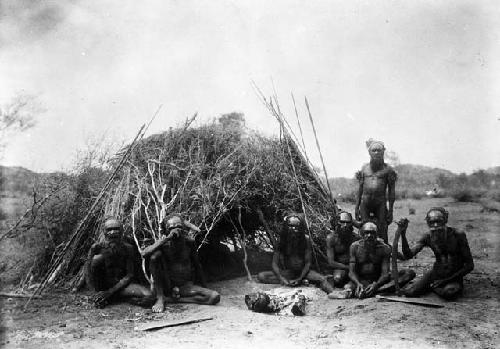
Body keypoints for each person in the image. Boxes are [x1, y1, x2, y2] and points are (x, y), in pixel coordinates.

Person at [141, 214, 220, 313]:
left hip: (185, 286)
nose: (176, 230)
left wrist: (204, 287)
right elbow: (144, 253)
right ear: (166, 230)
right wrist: (167, 238)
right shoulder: (163, 244)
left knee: (214, 297)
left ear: (183, 228)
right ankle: (160, 297)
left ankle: (172, 300)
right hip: (168, 286)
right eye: (171, 228)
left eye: (179, 227)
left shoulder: (189, 242)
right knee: (154, 257)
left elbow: (197, 264)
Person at [398, 207, 474, 300]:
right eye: (431, 222)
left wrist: (445, 281)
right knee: (410, 292)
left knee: (449, 293)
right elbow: (409, 255)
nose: (435, 225)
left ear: (445, 220)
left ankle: (433, 287)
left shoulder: (458, 235)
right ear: (427, 223)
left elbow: (470, 265)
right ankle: (433, 286)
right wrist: (403, 233)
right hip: (436, 273)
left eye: (439, 221)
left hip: (453, 276)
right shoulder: (427, 237)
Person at [257, 214, 334, 295]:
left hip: (304, 272)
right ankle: (295, 282)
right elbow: (274, 263)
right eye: (290, 226)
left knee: (321, 279)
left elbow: (308, 263)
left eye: (296, 227)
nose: (293, 229)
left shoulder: (306, 239)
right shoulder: (282, 241)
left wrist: (300, 278)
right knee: (262, 276)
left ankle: (334, 293)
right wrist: (281, 278)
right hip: (289, 272)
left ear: (300, 228)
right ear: (286, 226)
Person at [85, 218, 153, 308]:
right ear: (104, 231)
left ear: (121, 231)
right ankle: (105, 297)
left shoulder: (128, 248)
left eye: (116, 229)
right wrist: (95, 293)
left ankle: (116, 298)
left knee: (149, 295)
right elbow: (88, 272)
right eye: (109, 229)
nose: (113, 232)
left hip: (121, 287)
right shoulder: (96, 248)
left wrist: (111, 292)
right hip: (102, 287)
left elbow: (129, 275)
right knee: (97, 259)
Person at [348, 222, 415, 298]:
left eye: (372, 233)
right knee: (348, 287)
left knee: (408, 273)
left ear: (376, 234)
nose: (369, 236)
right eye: (367, 233)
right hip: (361, 280)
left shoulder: (384, 248)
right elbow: (351, 272)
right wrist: (357, 283)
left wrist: (376, 284)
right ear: (362, 234)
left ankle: (376, 290)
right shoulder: (355, 247)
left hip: (379, 280)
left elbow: (385, 274)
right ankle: (372, 290)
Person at [355, 139, 397, 243]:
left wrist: (391, 211)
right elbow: (360, 188)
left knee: (382, 227)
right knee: (364, 227)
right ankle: (364, 253)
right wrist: (357, 207)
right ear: (369, 152)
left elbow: (392, 191)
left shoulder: (388, 170)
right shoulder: (364, 168)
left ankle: (384, 252)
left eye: (379, 150)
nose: (376, 153)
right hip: (365, 203)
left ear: (383, 151)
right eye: (374, 150)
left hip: (380, 203)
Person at [326, 211, 360, 288]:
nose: (345, 225)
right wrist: (347, 267)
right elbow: (331, 262)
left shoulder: (356, 238)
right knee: (337, 278)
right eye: (342, 222)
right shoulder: (331, 238)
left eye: (348, 222)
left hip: (354, 267)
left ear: (351, 224)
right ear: (338, 223)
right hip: (341, 268)